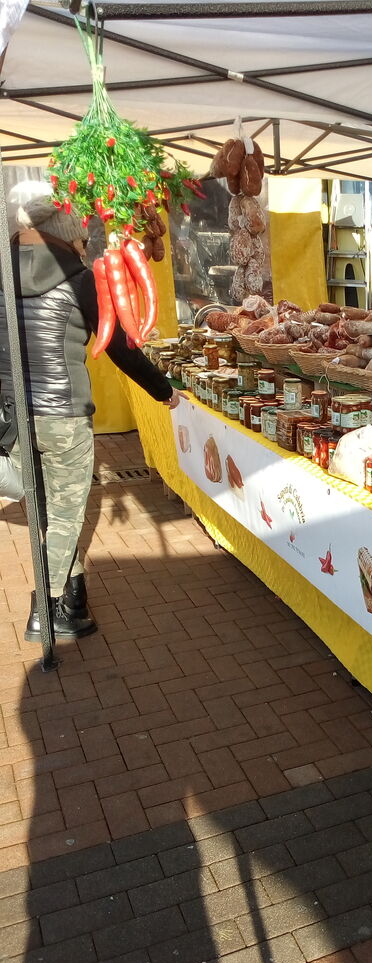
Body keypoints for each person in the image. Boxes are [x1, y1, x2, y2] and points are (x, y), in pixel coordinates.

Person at [0, 194, 178, 641]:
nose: (85, 245)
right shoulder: (80, 281)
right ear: (67, 236)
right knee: (64, 514)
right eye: (81, 238)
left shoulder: (1, 274)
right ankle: (46, 608)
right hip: (64, 416)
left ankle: (72, 599)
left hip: (14, 415)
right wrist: (165, 392)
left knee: (47, 510)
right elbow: (120, 348)